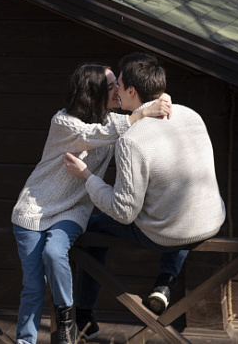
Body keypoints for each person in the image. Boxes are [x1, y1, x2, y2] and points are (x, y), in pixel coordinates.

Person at [64, 53, 226, 339]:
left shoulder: (131, 140)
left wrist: (88, 177)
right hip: (211, 219)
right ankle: (165, 281)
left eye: (119, 85)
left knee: (93, 229)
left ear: (132, 91)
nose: (115, 91)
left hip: (168, 232)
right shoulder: (190, 114)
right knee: (175, 202)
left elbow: (124, 212)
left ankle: (84, 315)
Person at [11, 63, 171, 344]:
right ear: (93, 93)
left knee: (54, 252)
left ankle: (65, 320)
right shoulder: (62, 122)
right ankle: (25, 341)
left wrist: (163, 99)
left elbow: (140, 117)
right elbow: (95, 135)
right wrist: (143, 112)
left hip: (74, 210)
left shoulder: (114, 122)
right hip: (33, 208)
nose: (118, 91)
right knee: (33, 287)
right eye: (111, 87)